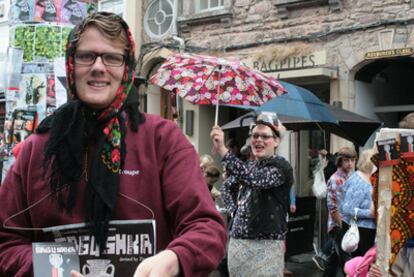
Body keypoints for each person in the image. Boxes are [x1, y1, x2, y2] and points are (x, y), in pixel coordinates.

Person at [0, 12, 227, 277]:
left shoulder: (163, 140)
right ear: (71, 64)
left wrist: (175, 257)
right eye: (87, 56)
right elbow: (6, 242)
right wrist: (51, 270)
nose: (98, 67)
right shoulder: (36, 150)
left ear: (126, 68)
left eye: (112, 58)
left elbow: (206, 227)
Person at [210, 112, 293, 277]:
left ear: (276, 141)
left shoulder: (281, 167)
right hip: (238, 244)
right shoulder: (250, 165)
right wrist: (236, 211)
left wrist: (222, 150)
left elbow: (255, 179)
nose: (259, 140)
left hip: (266, 245)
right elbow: (227, 188)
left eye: (265, 136)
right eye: (255, 135)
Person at [324, 147, 357, 277]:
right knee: (346, 262)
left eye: (353, 160)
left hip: (350, 222)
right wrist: (343, 226)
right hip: (339, 224)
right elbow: (332, 207)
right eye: (346, 160)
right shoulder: (334, 179)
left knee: (334, 259)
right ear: (340, 161)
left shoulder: (353, 176)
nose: (350, 163)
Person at [341, 149, 377, 258]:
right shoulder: (358, 181)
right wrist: (370, 213)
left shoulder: (366, 177)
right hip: (360, 230)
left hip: (365, 229)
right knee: (360, 263)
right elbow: (347, 208)